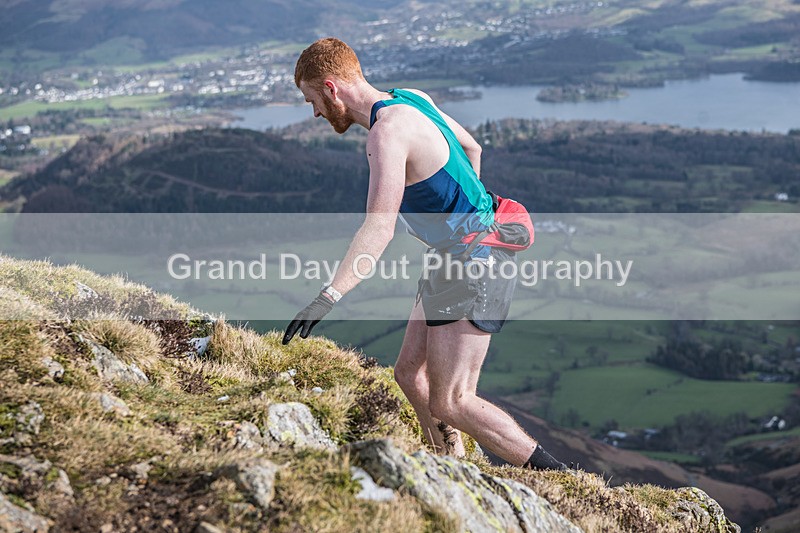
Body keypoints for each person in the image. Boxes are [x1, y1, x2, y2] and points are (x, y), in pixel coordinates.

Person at [283, 37, 567, 471]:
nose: (316, 113)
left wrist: (328, 296)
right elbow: (473, 148)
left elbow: (379, 226)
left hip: (473, 263)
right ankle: (449, 462)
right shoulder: (412, 99)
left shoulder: (386, 135)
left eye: (312, 101)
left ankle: (562, 476)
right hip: (457, 256)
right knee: (408, 373)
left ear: (331, 87)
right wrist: (463, 218)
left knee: (453, 400)